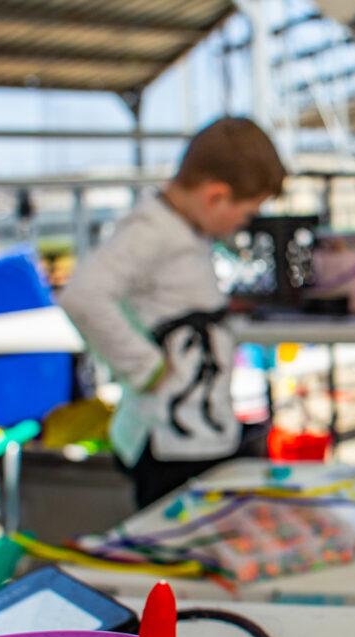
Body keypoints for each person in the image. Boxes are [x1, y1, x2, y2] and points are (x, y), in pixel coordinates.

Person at [60, 117, 286, 508]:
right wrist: (144, 367)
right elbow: (83, 295)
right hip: (170, 440)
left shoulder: (183, 230)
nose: (241, 225)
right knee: (174, 549)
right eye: (246, 214)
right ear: (215, 196)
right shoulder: (152, 231)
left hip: (197, 432)